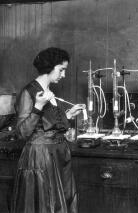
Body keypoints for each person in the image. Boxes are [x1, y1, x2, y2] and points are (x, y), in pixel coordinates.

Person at [11, 47, 84, 213]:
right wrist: (38, 106)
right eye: (61, 70)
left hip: (57, 155)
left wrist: (69, 115)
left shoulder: (49, 92)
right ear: (49, 67)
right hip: (40, 158)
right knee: (44, 205)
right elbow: (22, 132)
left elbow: (48, 123)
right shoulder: (29, 92)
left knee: (60, 204)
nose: (63, 75)